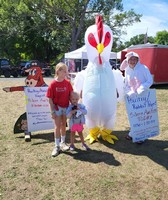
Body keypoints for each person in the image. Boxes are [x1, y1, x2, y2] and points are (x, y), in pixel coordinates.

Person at [120, 51, 153, 144]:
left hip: (142, 96)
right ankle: (133, 133)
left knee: (142, 115)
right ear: (127, 60)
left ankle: (140, 136)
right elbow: (126, 83)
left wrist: (141, 89)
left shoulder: (143, 68)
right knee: (133, 115)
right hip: (131, 97)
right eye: (130, 59)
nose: (132, 61)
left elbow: (149, 80)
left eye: (134, 59)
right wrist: (129, 92)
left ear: (138, 60)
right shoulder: (127, 70)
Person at [46, 62, 73, 157]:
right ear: (58, 71)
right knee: (57, 126)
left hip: (65, 108)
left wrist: (74, 107)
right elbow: (50, 99)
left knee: (63, 125)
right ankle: (56, 146)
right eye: (64, 71)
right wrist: (52, 111)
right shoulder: (53, 84)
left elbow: (71, 96)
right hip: (57, 108)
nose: (66, 72)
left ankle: (63, 143)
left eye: (66, 71)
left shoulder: (68, 83)